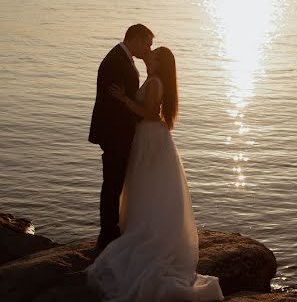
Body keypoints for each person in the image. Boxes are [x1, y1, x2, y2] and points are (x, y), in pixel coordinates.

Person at [86, 46, 223, 302]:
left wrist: (125, 100)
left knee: (148, 186)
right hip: (147, 137)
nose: (147, 53)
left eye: (153, 53)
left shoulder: (156, 82)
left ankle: (146, 231)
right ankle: (138, 225)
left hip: (150, 137)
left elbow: (151, 114)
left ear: (160, 63)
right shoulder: (151, 79)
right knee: (143, 187)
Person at [89, 24, 154, 250]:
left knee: (115, 182)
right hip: (115, 132)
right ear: (135, 39)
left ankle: (112, 229)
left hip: (119, 131)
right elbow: (115, 104)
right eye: (147, 43)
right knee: (112, 183)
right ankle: (108, 233)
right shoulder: (116, 62)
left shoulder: (123, 58)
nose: (148, 48)